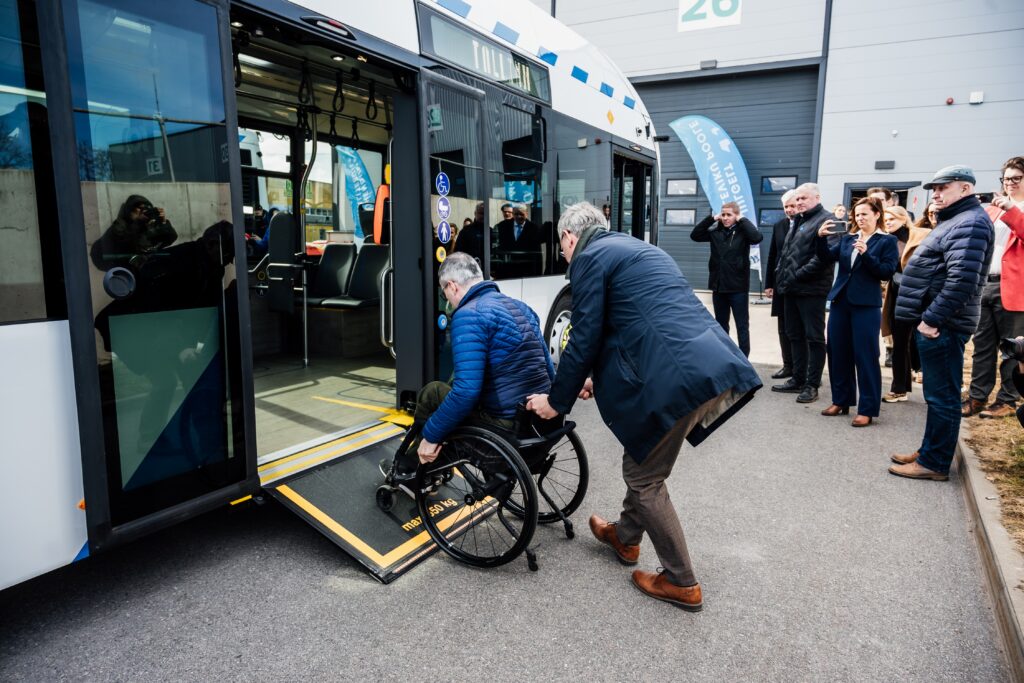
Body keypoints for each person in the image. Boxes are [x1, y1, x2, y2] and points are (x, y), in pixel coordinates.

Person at [525, 202, 761, 612]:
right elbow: (633, 324)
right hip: (706, 364)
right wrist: (593, 376)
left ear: (569, 236)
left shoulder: (588, 258)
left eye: (562, 246)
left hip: (675, 378)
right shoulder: (637, 248)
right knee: (644, 454)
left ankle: (681, 580)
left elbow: (584, 336)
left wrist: (555, 402)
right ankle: (626, 538)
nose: (564, 255)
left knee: (644, 477)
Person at [387, 252, 554, 475]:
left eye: (444, 292)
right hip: (538, 423)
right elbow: (549, 368)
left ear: (453, 286)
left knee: (433, 393)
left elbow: (466, 392)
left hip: (505, 427)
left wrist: (431, 435)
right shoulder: (520, 306)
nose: (447, 300)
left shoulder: (468, 315)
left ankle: (416, 466)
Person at [889, 165, 994, 481]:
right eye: (933, 188)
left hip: (943, 324)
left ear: (965, 189)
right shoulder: (956, 221)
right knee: (936, 395)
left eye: (943, 187)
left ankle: (934, 464)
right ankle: (930, 451)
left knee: (942, 397)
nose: (935, 193)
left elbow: (962, 280)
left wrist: (932, 319)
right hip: (938, 321)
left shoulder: (971, 223)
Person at [815, 197, 899, 426]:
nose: (860, 218)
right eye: (857, 215)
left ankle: (868, 408)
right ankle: (841, 400)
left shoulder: (886, 241)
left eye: (864, 214)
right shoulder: (848, 239)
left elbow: (886, 272)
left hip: (866, 305)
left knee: (865, 356)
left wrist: (866, 253)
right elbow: (826, 258)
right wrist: (820, 239)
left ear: (877, 214)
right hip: (841, 301)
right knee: (837, 352)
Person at [962, 156, 1024, 419]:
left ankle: (1008, 400)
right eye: (1006, 178)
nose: (1009, 183)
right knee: (982, 345)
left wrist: (1012, 210)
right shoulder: (993, 209)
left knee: (1012, 348)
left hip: (1015, 287)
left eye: (1016, 178)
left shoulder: (1014, 210)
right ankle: (977, 396)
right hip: (985, 283)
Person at [771, 183, 836, 403]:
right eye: (797, 199)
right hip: (791, 289)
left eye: (803, 199)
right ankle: (797, 379)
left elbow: (825, 257)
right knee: (794, 335)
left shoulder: (827, 220)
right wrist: (782, 277)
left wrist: (797, 275)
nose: (799, 203)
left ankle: (812, 384)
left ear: (817, 197)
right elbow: (786, 254)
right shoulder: (798, 221)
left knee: (814, 338)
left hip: (812, 290)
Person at [690, 202, 763, 356]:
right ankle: (725, 355)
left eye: (729, 215)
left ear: (736, 215)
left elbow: (757, 237)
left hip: (738, 288)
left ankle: (744, 358)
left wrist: (742, 219)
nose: (725, 218)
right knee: (721, 325)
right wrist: (711, 218)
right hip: (719, 287)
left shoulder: (744, 232)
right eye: (723, 214)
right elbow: (695, 235)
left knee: (742, 325)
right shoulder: (716, 231)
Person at [881, 206, 930, 402]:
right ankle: (899, 388)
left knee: (923, 341)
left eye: (891, 218)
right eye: (885, 220)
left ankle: (931, 387)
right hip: (897, 296)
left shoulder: (923, 235)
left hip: (922, 297)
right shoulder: (886, 241)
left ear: (903, 218)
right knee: (899, 343)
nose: (888, 222)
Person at [90, 194, 177, 272]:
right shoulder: (120, 225)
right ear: (129, 210)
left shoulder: (149, 226)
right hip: (124, 268)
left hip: (146, 269)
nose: (143, 211)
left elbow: (171, 238)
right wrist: (139, 223)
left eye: (147, 209)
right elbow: (124, 242)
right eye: (139, 208)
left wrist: (163, 222)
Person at [765, 191, 799, 378]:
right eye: (786, 206)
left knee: (796, 329)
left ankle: (800, 368)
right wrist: (769, 283)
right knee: (783, 327)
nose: (789, 210)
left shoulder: (805, 225)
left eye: (792, 205)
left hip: (797, 284)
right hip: (780, 284)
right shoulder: (779, 226)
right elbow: (773, 255)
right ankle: (787, 365)